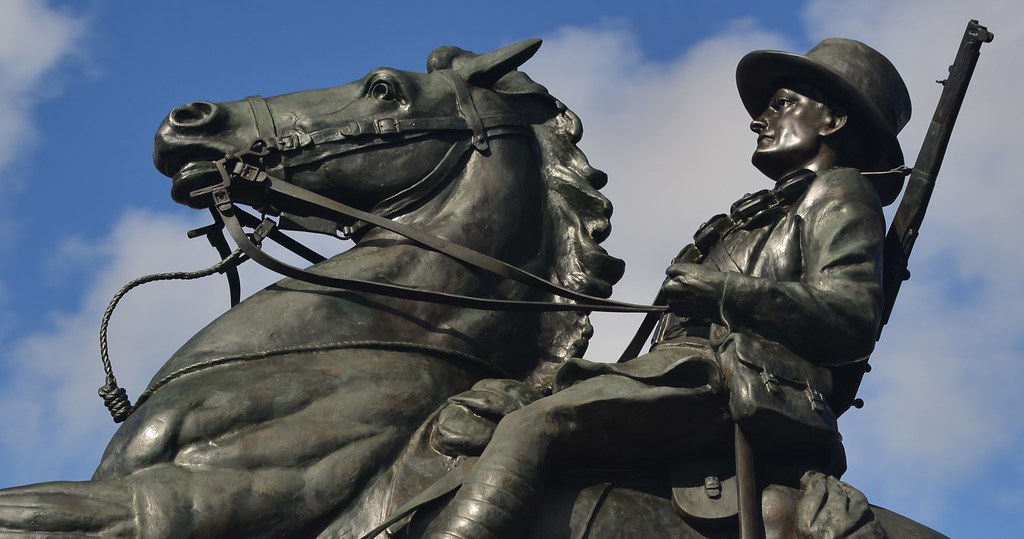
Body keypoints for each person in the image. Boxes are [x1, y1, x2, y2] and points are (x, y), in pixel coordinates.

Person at [423, 38, 911, 538]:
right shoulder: (753, 215)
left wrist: (723, 292)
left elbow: (852, 314)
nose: (759, 119)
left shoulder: (841, 190)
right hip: (677, 375)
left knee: (531, 426)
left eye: (782, 103)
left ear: (833, 120)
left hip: (720, 382)